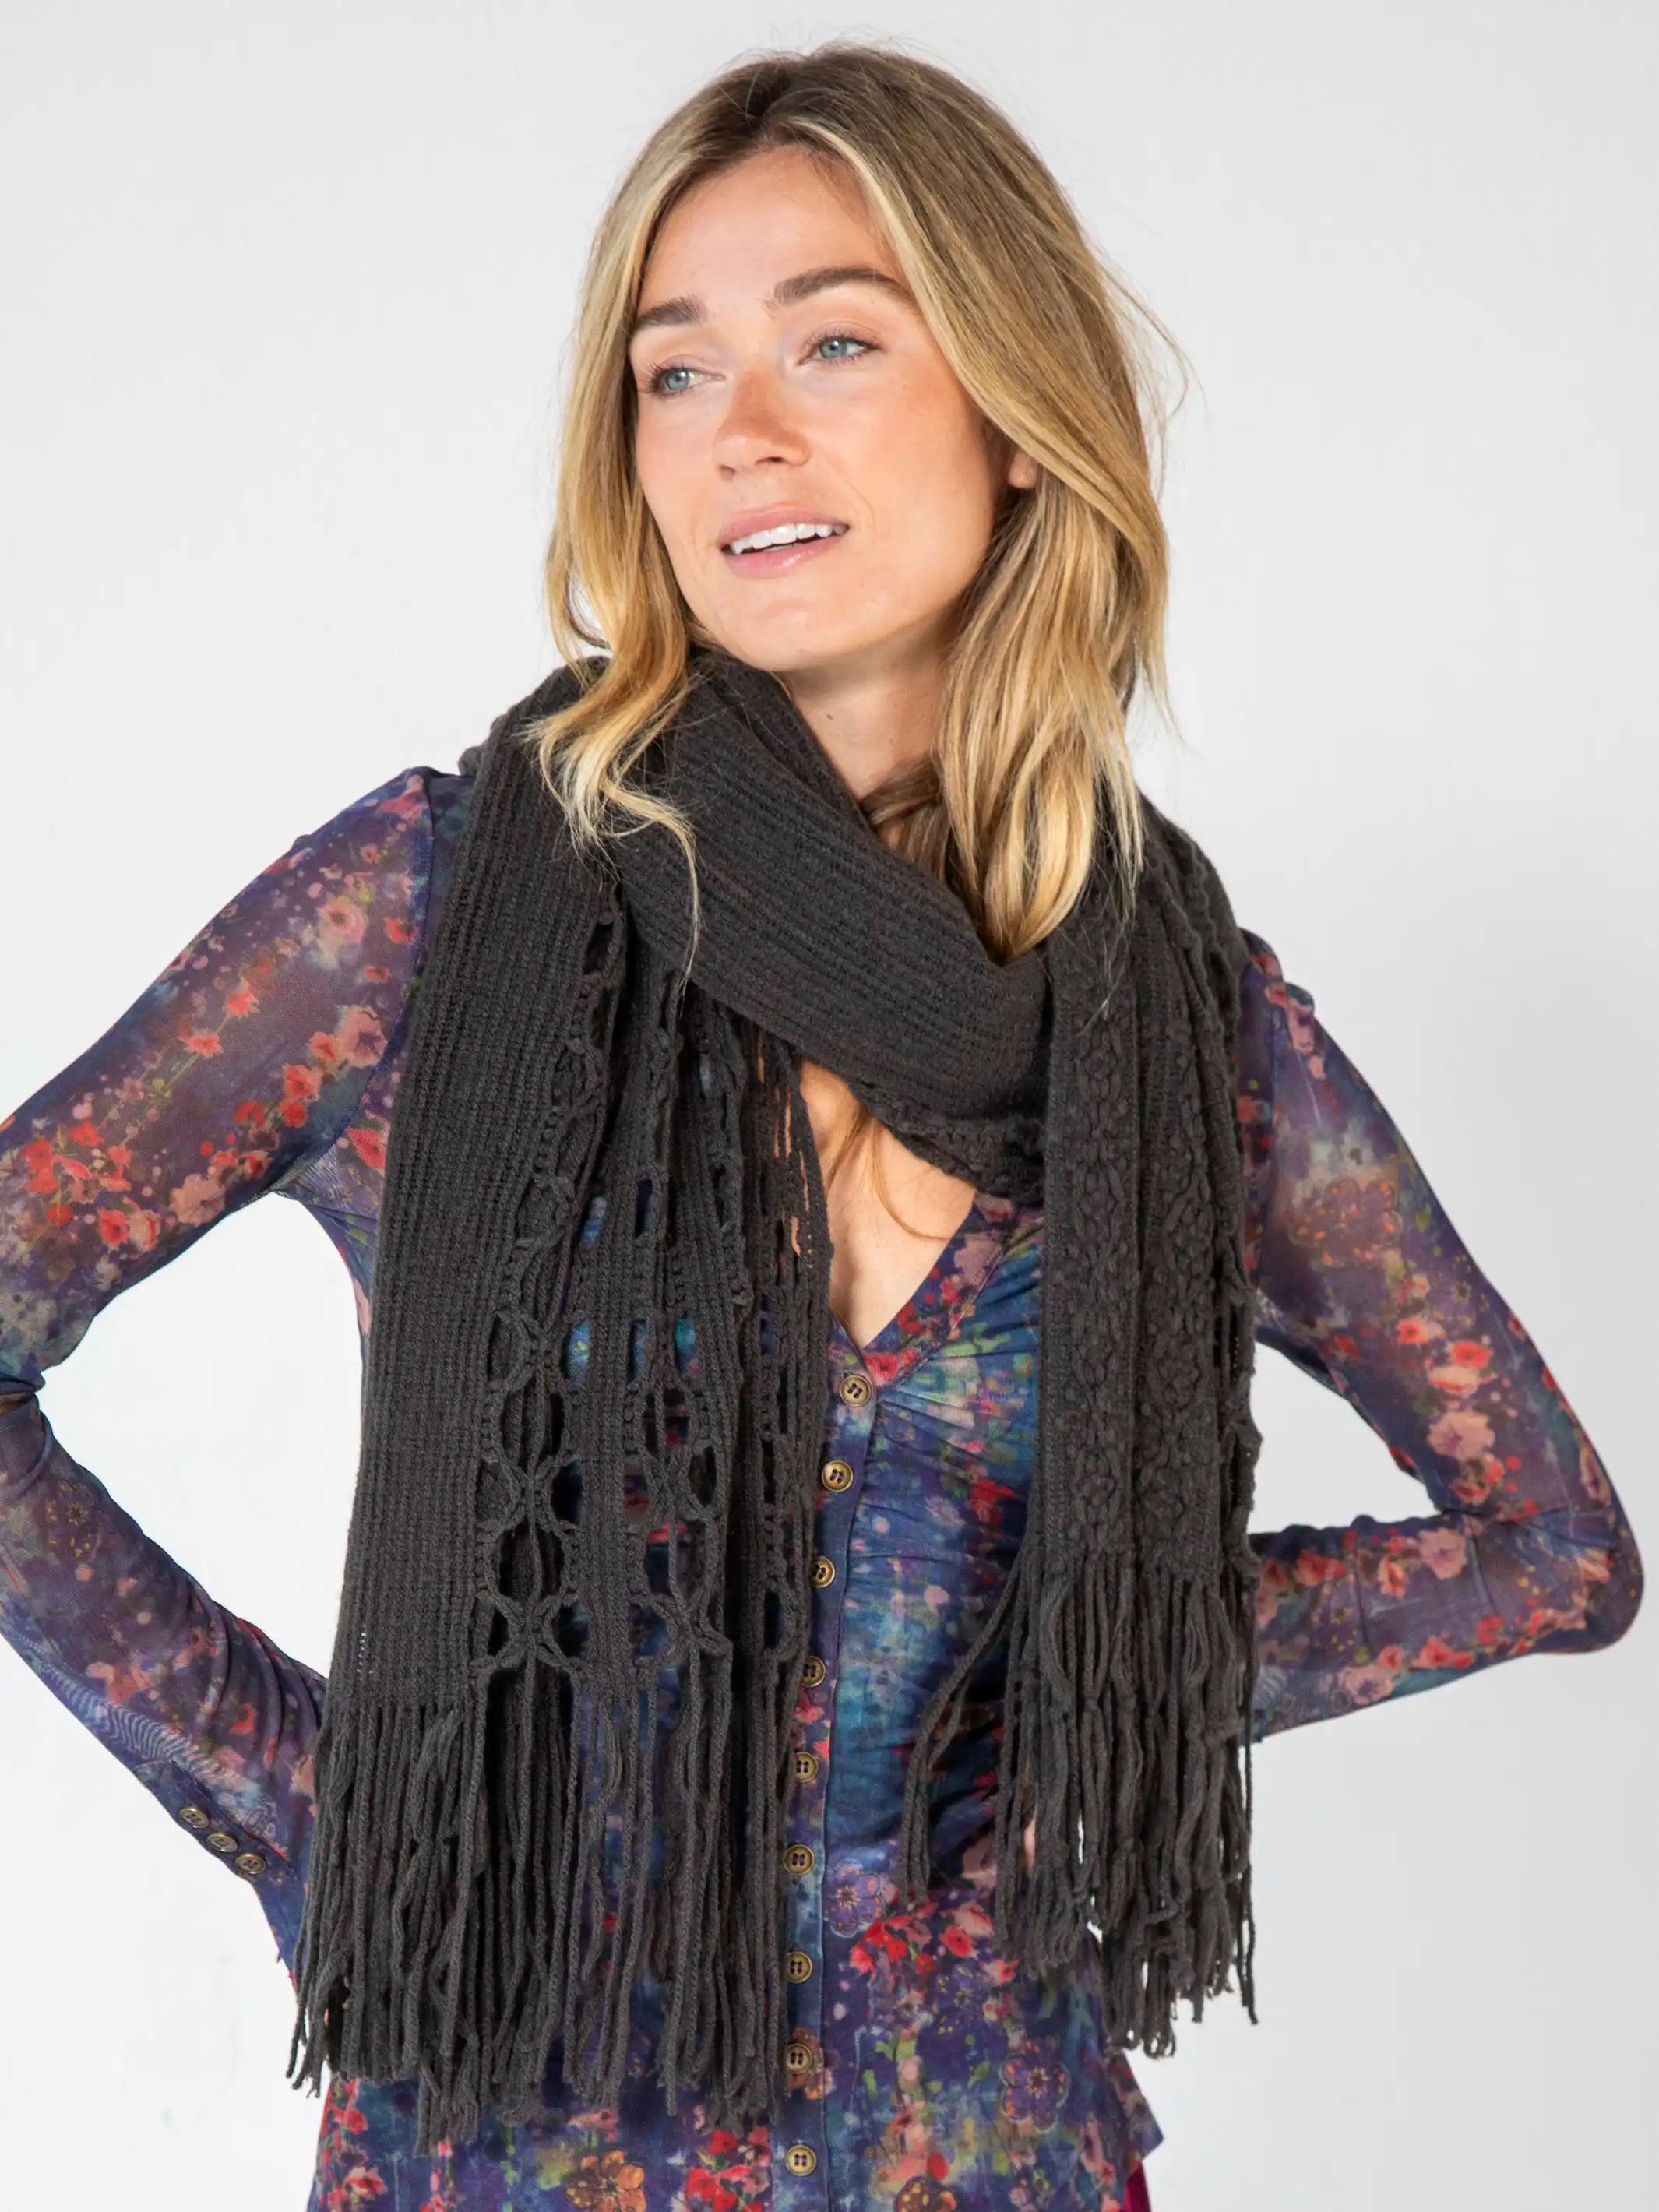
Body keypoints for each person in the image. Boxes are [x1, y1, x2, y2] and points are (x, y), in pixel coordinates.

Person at [0, 38, 1641, 2212]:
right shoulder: (434, 915)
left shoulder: (1168, 1032)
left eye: (835, 342)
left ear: (1018, 415)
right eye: (673, 372)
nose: (740, 431)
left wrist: (1105, 1667)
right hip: (505, 2125)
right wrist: (313, 1801)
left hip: (979, 2137)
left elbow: (1552, 1551)